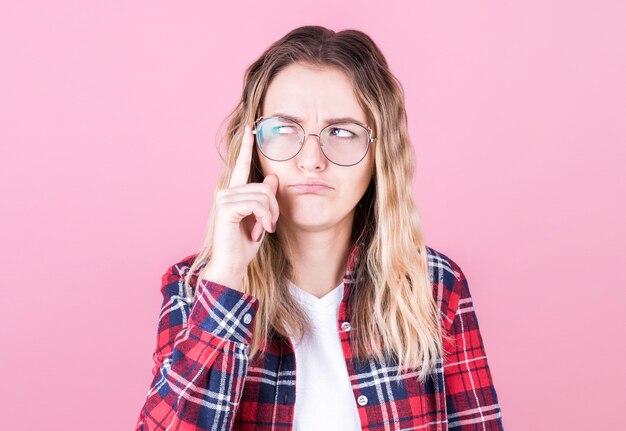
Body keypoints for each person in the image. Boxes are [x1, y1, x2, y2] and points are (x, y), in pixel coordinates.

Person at [135, 25, 504, 431]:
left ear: (379, 152)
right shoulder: (195, 288)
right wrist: (226, 281)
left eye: (342, 131)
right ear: (252, 147)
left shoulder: (434, 287)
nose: (311, 160)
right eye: (283, 129)